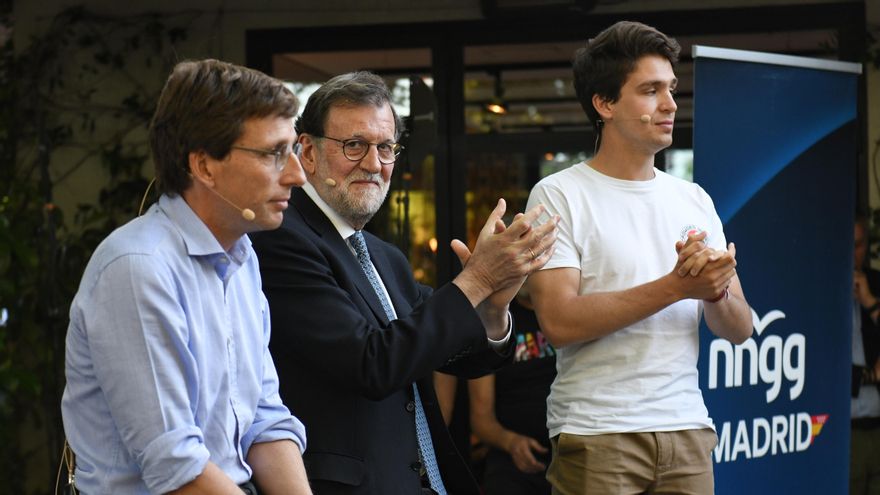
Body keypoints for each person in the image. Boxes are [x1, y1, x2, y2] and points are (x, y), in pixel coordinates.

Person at [250, 71, 557, 495]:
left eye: (386, 148)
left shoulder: (384, 256)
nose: (374, 164)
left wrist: (494, 303)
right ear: (308, 152)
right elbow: (371, 363)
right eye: (354, 145)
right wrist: (477, 279)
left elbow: (460, 358)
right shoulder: (281, 239)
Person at [61, 59, 312, 495]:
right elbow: (176, 467)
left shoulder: (241, 254)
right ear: (205, 166)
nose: (297, 174)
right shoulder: (138, 267)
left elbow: (265, 419)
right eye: (274, 153)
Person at [526, 21, 753, 494]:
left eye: (671, 88)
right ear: (604, 104)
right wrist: (677, 286)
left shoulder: (693, 199)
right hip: (597, 430)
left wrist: (717, 289)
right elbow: (560, 321)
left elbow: (739, 328)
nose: (670, 104)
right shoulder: (559, 194)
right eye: (650, 91)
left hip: (688, 427)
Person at [468, 288, 556, 495]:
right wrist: (511, 442)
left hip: (572, 447)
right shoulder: (496, 321)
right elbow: (481, 420)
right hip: (511, 460)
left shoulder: (566, 313)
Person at [851, 214, 880, 495]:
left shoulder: (875, 282)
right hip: (847, 427)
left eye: (858, 245)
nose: (853, 253)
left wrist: (870, 301)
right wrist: (867, 375)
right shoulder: (823, 288)